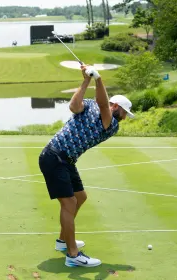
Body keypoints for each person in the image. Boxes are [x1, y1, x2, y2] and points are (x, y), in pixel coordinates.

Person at [38, 65, 134, 267]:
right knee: (70, 203)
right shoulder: (91, 105)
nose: (125, 118)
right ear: (116, 106)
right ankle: (73, 256)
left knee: (80, 197)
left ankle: (63, 241)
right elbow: (74, 106)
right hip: (55, 156)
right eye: (125, 112)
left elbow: (102, 104)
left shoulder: (111, 125)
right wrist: (87, 80)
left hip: (66, 160)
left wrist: (98, 78)